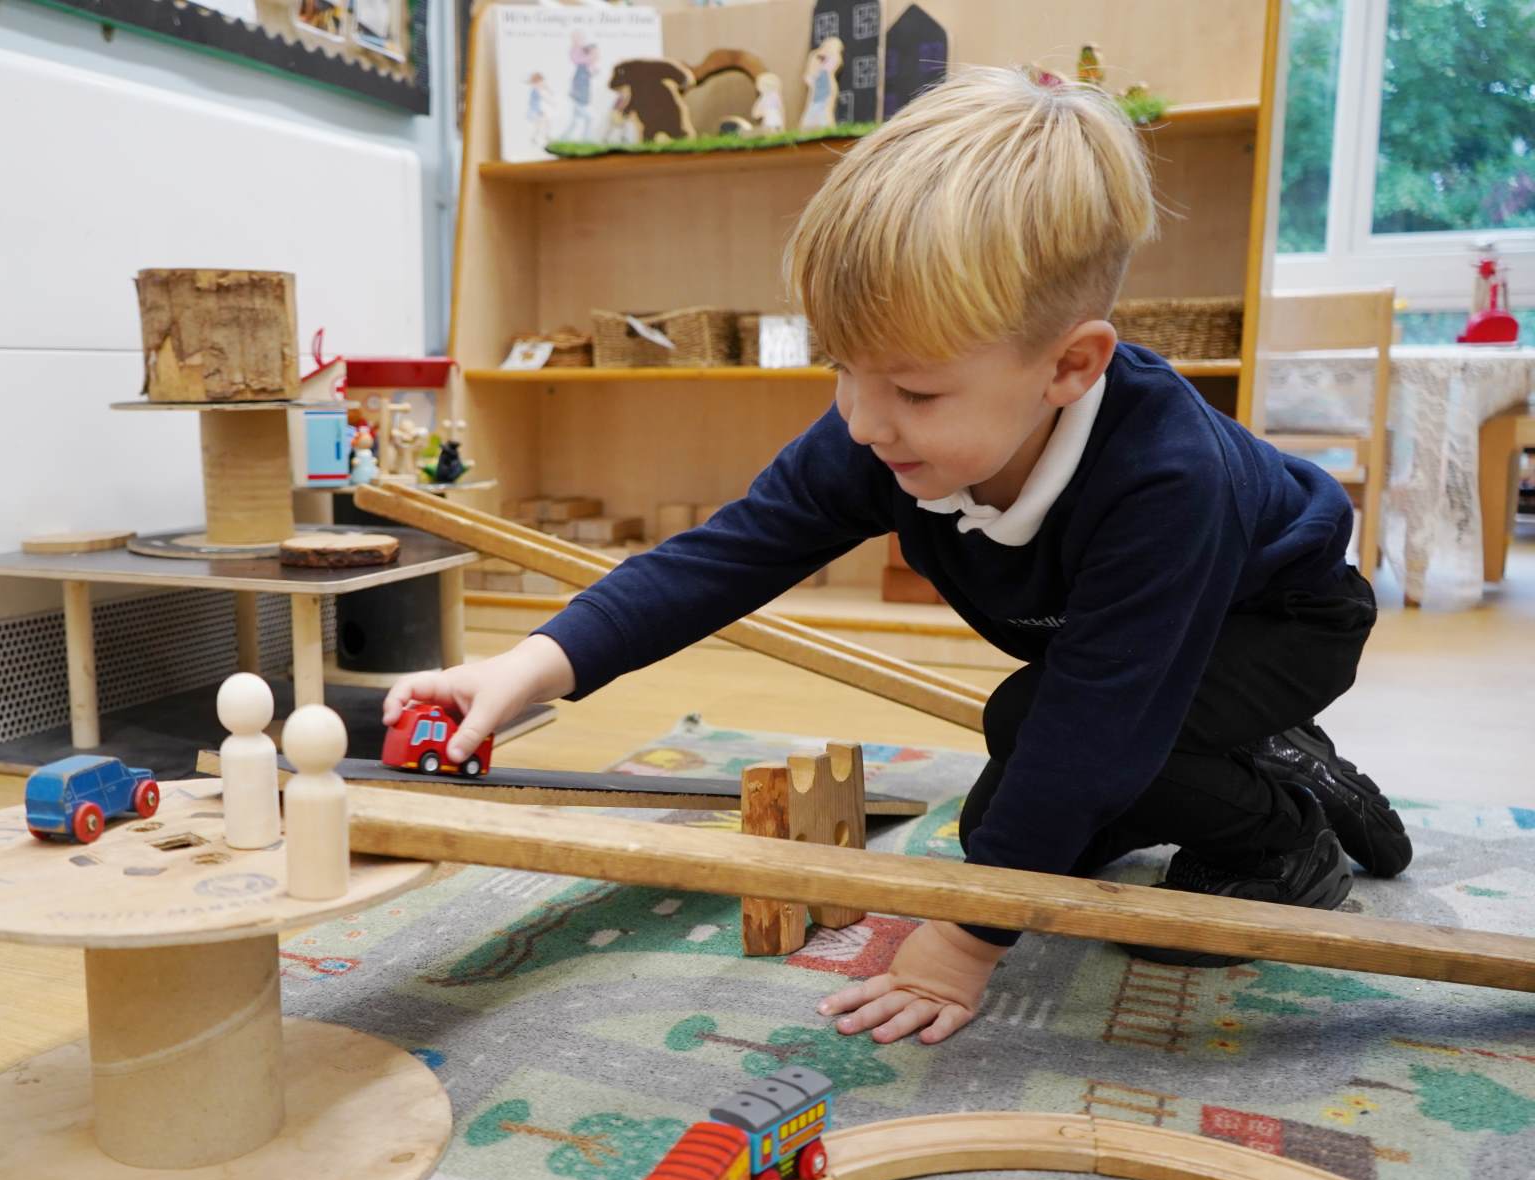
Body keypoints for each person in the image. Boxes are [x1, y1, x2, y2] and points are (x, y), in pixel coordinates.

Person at [383, 65, 1411, 1045]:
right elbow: (724, 556)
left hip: (1279, 622)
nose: (865, 420)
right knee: (1017, 780)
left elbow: (1095, 727)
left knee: (1061, 750)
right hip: (1140, 642)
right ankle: (1254, 754)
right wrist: (535, 664)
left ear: (1070, 366)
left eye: (915, 391)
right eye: (842, 368)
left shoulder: (1166, 481)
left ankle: (1287, 834)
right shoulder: (879, 431)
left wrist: (964, 943)